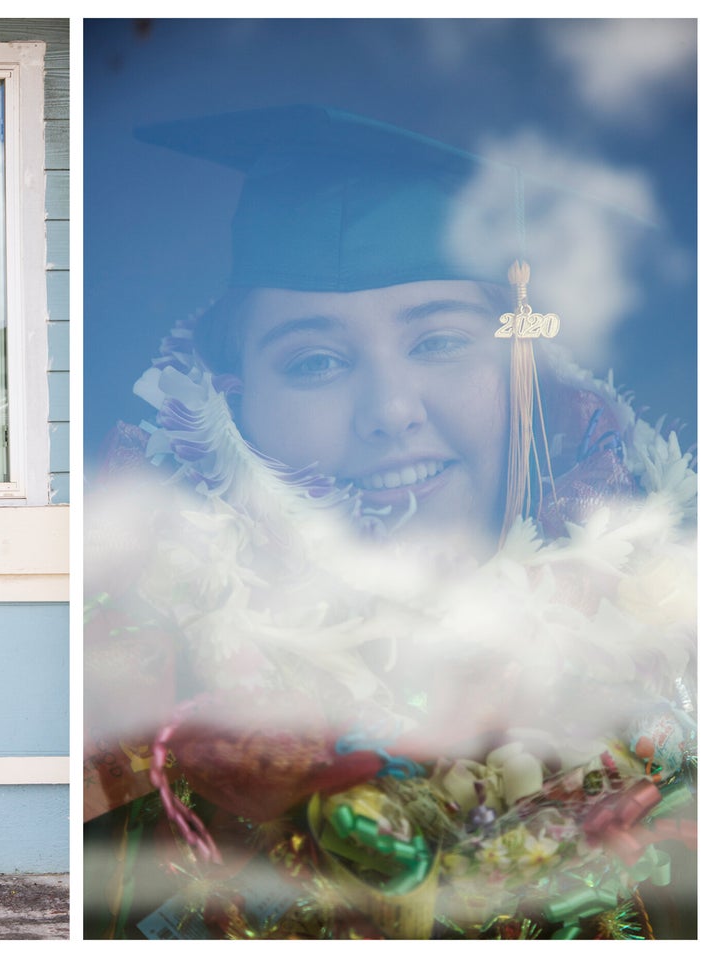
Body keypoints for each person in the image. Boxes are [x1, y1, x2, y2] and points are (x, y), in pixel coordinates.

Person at [84, 106, 696, 939]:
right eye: (316, 360)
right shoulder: (138, 718)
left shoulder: (679, 672)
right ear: (231, 403)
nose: (391, 411)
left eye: (440, 342)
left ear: (527, 375)